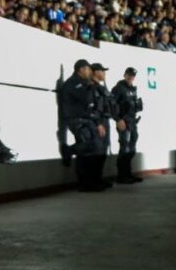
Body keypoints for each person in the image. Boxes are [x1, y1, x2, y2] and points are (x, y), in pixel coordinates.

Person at [59, 59, 104, 192]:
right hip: (76, 119)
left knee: (91, 148)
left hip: (85, 119)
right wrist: (90, 86)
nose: (90, 72)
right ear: (81, 70)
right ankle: (84, 182)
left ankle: (89, 181)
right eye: (88, 69)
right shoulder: (73, 83)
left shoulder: (83, 82)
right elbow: (85, 99)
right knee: (88, 147)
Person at [111, 67, 144, 183]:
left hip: (132, 122)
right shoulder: (118, 88)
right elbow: (112, 105)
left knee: (131, 150)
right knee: (124, 149)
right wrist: (118, 119)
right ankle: (121, 176)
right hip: (123, 122)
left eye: (133, 75)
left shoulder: (133, 89)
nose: (131, 77)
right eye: (129, 75)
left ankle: (128, 174)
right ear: (124, 75)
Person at [88, 63, 114, 189]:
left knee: (103, 152)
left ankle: (98, 179)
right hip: (96, 123)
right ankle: (93, 182)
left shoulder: (101, 88)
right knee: (97, 152)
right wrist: (98, 124)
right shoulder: (90, 87)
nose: (104, 73)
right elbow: (90, 108)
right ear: (95, 72)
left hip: (105, 121)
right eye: (102, 71)